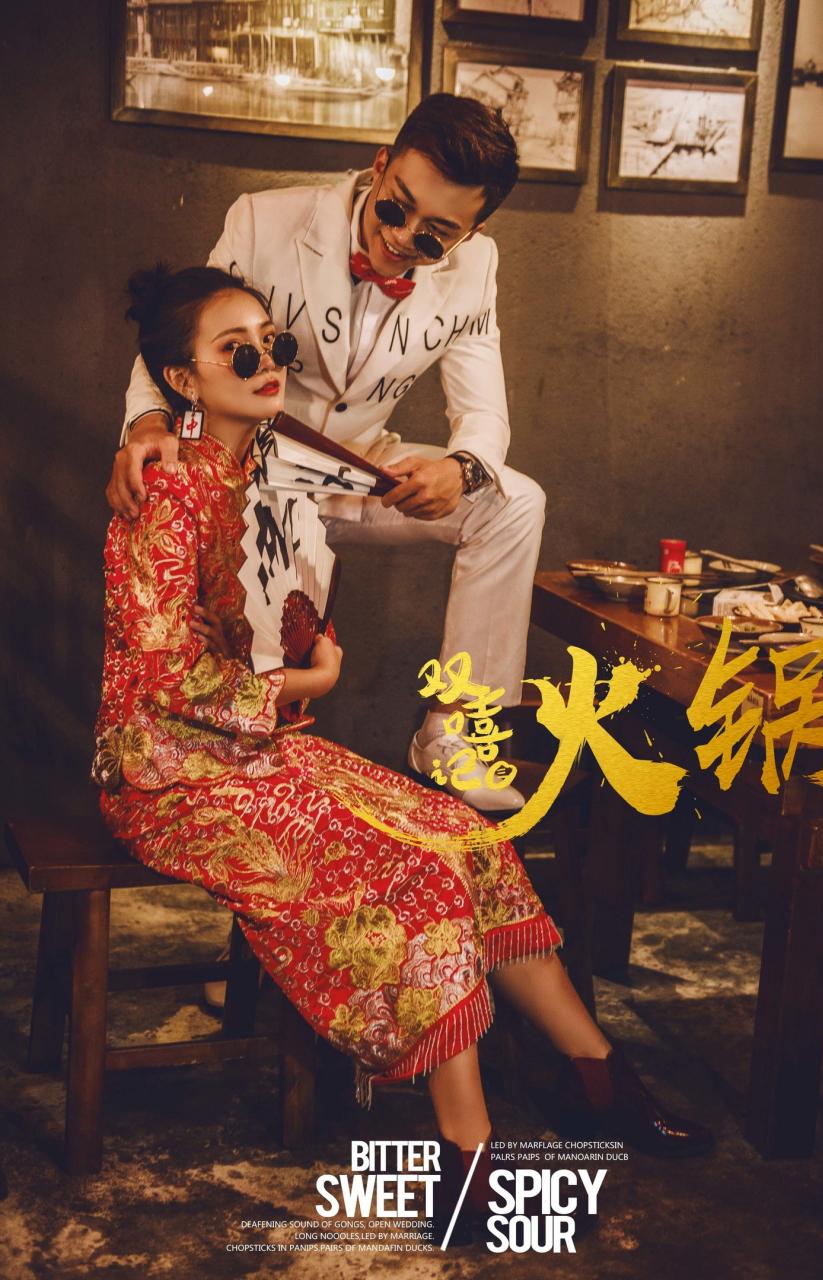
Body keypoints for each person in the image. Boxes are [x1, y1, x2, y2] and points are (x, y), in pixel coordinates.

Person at [94, 264, 713, 1239]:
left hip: (256, 749)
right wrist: (306, 683)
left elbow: (276, 609)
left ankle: (594, 1073)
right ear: (182, 378)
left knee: (464, 835)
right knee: (414, 872)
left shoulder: (265, 472)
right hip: (169, 772)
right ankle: (467, 1153)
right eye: (235, 351)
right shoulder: (166, 485)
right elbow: (167, 677)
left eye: (272, 342)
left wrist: (301, 648)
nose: (266, 361)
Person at [105, 94, 546, 816]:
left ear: (473, 232)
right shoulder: (266, 220)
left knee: (514, 501)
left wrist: (459, 469)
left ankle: (451, 729)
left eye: (435, 235)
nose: (401, 237)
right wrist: (148, 420)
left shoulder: (478, 267)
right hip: (249, 478)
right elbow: (178, 328)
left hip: (356, 473)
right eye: (395, 207)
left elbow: (484, 411)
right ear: (380, 164)